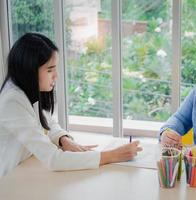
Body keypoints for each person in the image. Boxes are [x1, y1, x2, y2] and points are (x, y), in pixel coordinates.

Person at [0, 32, 142, 178]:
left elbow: (47, 123)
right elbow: (54, 160)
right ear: (29, 70)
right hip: (8, 180)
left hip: (24, 169)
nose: (56, 76)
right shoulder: (12, 101)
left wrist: (63, 139)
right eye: (50, 70)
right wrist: (113, 155)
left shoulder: (29, 88)